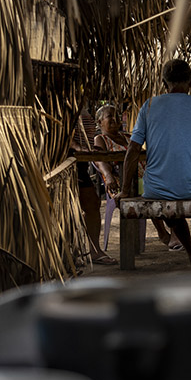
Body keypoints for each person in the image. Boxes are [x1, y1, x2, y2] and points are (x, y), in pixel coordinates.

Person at [117, 59, 191, 262]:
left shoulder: (149, 105)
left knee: (173, 213)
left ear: (163, 83)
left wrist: (125, 191)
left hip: (155, 189)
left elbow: (133, 150)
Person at [92, 104, 182, 251]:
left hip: (145, 177)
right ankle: (163, 233)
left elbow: (144, 154)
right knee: (150, 190)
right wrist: (108, 176)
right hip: (122, 183)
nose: (115, 119)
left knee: (170, 186)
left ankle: (174, 232)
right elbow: (99, 159)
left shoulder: (128, 136)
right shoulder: (100, 139)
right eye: (110, 116)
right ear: (100, 122)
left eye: (116, 115)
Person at [72, 104, 116, 265]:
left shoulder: (80, 104)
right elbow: (59, 129)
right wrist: (77, 147)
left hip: (81, 162)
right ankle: (69, 253)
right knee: (71, 208)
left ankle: (94, 250)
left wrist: (89, 149)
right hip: (68, 160)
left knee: (92, 204)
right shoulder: (64, 101)